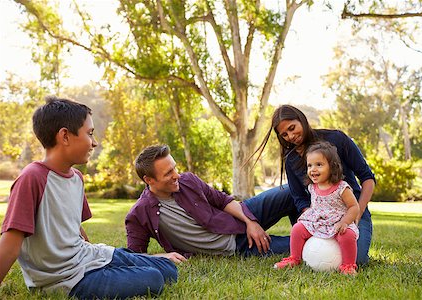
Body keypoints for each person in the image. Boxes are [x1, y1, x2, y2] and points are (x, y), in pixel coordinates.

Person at [0, 96, 178, 299]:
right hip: (65, 278)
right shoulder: (32, 177)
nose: (95, 142)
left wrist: (98, 257)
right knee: (154, 278)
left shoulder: (76, 178)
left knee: (168, 268)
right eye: (90, 133)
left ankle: (130, 261)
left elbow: (73, 227)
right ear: (65, 136)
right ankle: (128, 264)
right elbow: (10, 244)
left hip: (87, 257)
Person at [252, 104, 375, 265]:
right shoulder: (291, 159)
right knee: (311, 251)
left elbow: (368, 178)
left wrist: (356, 214)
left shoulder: (337, 139)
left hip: (352, 211)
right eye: (284, 134)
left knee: (358, 260)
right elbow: (299, 198)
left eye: (292, 128)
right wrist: (315, 218)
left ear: (301, 119)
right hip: (319, 216)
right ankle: (295, 253)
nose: (291, 136)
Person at [125, 145, 299, 258]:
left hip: (241, 214)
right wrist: (162, 256)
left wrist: (250, 221)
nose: (176, 175)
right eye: (168, 173)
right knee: (301, 246)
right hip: (237, 245)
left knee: (293, 190)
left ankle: (312, 225)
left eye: (175, 168)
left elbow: (223, 200)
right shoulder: (139, 214)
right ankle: (314, 238)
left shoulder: (188, 180)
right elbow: (133, 256)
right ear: (149, 180)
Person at [274, 141, 360, 275]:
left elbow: (354, 207)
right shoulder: (312, 187)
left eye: (319, 165)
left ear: (332, 167)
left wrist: (345, 222)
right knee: (297, 229)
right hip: (318, 221)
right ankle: (294, 258)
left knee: (347, 236)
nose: (313, 169)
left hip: (337, 222)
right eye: (309, 165)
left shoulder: (342, 187)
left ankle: (348, 266)